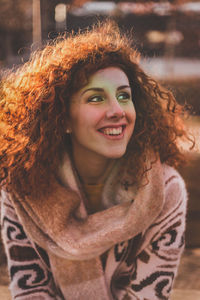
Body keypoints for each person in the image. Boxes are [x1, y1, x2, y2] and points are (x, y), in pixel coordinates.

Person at [0, 21, 191, 300]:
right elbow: (31, 292)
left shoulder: (162, 190)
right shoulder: (21, 187)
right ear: (62, 117)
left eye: (124, 96)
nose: (117, 111)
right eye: (96, 98)